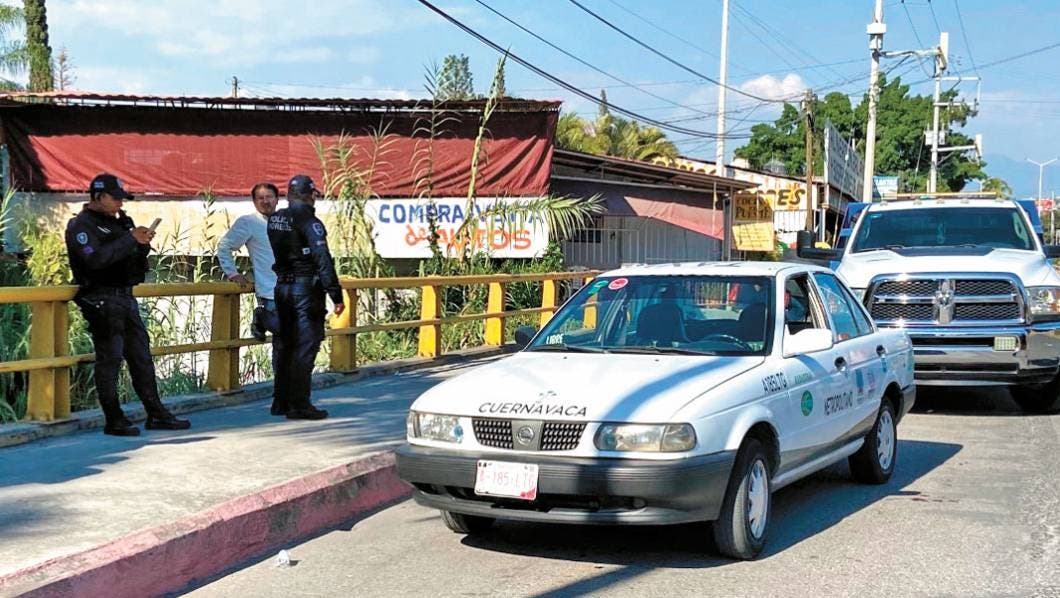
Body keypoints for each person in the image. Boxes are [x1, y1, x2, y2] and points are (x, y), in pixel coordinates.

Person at [65, 174, 191, 436]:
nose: (120, 204)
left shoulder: (122, 223)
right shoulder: (81, 226)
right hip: (100, 297)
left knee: (141, 356)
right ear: (99, 197)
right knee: (110, 359)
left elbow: (131, 258)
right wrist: (130, 239)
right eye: (115, 198)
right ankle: (114, 419)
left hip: (126, 296)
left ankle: (156, 413)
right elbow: (95, 260)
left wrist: (141, 243)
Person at [267, 175, 344, 420]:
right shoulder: (310, 222)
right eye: (313, 195)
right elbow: (322, 258)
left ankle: (280, 401)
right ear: (309, 195)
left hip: (282, 288)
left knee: (285, 344)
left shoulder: (275, 219)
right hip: (305, 290)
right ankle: (299, 404)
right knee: (305, 345)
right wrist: (335, 294)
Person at [217, 182, 287, 415]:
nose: (266, 201)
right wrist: (233, 273)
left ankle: (261, 318)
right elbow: (225, 246)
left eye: (269, 197)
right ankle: (282, 395)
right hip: (270, 292)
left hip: (292, 292)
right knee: (282, 345)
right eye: (260, 198)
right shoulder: (249, 223)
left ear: (277, 198)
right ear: (254, 202)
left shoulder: (286, 222)